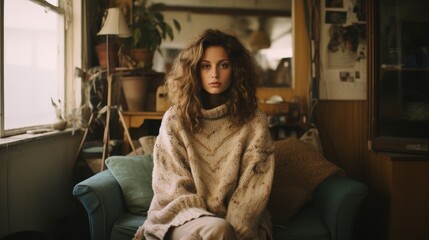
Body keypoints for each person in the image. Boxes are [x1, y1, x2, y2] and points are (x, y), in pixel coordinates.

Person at [134, 29, 275, 240]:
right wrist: (203, 219)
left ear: (236, 70)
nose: (214, 74)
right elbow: (172, 185)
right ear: (194, 70)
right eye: (205, 66)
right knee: (213, 231)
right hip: (182, 216)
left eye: (223, 65)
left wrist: (235, 229)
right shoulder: (175, 119)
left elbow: (253, 190)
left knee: (222, 231)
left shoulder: (254, 122)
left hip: (235, 221)